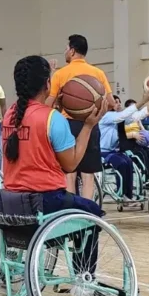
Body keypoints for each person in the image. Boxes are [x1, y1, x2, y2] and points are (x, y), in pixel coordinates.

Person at [2, 55, 106, 215]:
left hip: (11, 199)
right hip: (46, 199)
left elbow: (33, 119)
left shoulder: (10, 114)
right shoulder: (53, 118)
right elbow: (70, 165)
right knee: (92, 210)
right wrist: (88, 126)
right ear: (47, 84)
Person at [45, 34, 113, 202]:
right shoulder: (97, 72)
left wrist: (61, 104)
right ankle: (88, 213)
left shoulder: (61, 74)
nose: (65, 52)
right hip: (91, 124)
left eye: (66, 48)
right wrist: (95, 113)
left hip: (67, 124)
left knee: (69, 172)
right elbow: (110, 103)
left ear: (72, 50)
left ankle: (70, 211)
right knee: (88, 174)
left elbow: (47, 104)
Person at [100, 90, 149, 199]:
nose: (118, 103)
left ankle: (128, 194)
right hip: (102, 152)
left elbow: (139, 116)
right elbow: (123, 115)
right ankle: (122, 194)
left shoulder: (118, 118)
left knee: (128, 162)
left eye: (119, 102)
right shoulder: (106, 116)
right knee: (122, 163)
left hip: (113, 151)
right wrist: (144, 100)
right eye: (115, 101)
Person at [118, 98, 149, 180]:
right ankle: (146, 175)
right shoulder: (122, 119)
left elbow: (143, 130)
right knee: (142, 154)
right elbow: (120, 135)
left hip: (138, 141)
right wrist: (133, 135)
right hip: (127, 142)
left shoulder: (136, 119)